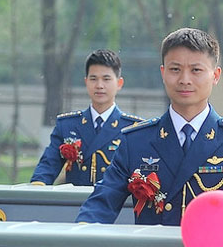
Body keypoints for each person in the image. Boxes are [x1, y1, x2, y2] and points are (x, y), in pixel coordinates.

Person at [76, 28, 223, 243]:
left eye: (196, 70)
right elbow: (102, 202)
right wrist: (81, 238)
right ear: (163, 73)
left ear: (215, 75)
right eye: (175, 69)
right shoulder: (136, 141)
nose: (184, 80)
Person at [31, 49, 143, 186]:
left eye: (106, 79)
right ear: (86, 82)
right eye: (93, 79)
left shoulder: (133, 129)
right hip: (75, 199)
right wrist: (38, 185)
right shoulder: (68, 125)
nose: (99, 85)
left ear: (119, 83)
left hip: (114, 199)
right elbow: (48, 165)